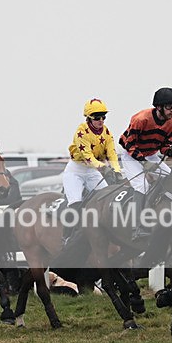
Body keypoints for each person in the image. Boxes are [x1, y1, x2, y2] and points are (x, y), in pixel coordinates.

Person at [118, 87, 172, 238]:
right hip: (131, 155)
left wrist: (171, 151)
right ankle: (137, 227)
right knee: (143, 186)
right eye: (169, 107)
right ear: (159, 107)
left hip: (151, 155)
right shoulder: (141, 119)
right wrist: (144, 162)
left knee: (171, 178)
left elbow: (165, 146)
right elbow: (127, 144)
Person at [61, 98, 122, 245]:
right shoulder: (81, 132)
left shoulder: (106, 132)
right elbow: (88, 157)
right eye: (97, 118)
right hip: (75, 171)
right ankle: (67, 237)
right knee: (75, 203)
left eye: (103, 117)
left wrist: (117, 170)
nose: (101, 121)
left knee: (106, 200)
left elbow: (112, 153)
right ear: (88, 118)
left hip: (92, 172)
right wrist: (104, 168)